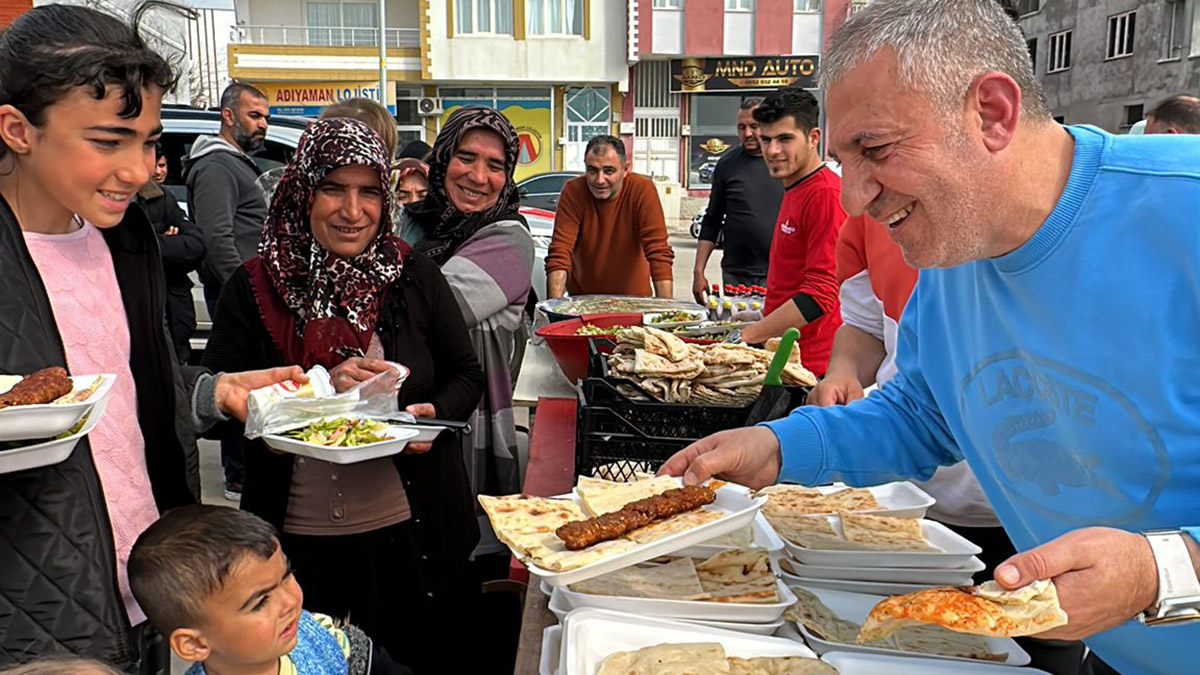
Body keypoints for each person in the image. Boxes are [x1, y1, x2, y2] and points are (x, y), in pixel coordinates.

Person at [662, 0, 1200, 673]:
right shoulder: (952, 256)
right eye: (842, 159)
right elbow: (922, 412)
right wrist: (776, 445)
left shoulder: (1185, 209)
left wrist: (1162, 570)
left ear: (993, 113)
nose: (854, 198)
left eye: (875, 150)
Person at [0, 5, 303, 670]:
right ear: (18, 129)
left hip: (152, 588)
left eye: (148, 141)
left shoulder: (125, 239)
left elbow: (126, 389)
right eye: (108, 141)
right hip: (37, 610)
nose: (139, 170)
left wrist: (213, 391)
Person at [201, 117, 484, 675]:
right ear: (303, 190)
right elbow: (216, 404)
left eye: (369, 192)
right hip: (292, 546)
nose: (352, 211)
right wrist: (311, 392)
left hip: (411, 535)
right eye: (333, 187)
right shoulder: (255, 287)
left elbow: (464, 375)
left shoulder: (413, 273)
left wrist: (433, 414)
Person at [811, 214, 1010, 578]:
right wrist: (843, 371)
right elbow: (866, 325)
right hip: (904, 501)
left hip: (1035, 520)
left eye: (876, 153)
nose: (851, 194)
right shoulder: (867, 216)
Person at [397, 106, 534, 516]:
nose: (478, 177)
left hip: (467, 419)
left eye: (495, 165)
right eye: (467, 157)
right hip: (400, 416)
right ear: (442, 160)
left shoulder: (510, 238)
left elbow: (435, 308)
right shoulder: (415, 223)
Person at [129, 505, 411, 675]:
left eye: (287, 576)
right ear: (195, 644)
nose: (290, 601)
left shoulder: (319, 637)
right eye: (261, 601)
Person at [185, 81, 271, 500]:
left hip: (247, 293)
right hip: (239, 298)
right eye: (255, 115)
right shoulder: (217, 166)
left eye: (266, 118)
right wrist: (251, 294)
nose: (263, 125)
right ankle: (238, 476)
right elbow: (217, 238)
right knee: (239, 383)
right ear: (228, 115)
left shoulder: (236, 163)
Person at [739, 88, 844, 377]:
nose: (772, 151)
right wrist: (764, 316)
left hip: (811, 367)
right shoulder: (796, 186)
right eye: (766, 140)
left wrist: (749, 335)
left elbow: (819, 295)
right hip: (784, 356)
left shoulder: (825, 194)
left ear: (813, 138)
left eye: (785, 139)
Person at [545, 135, 675, 298]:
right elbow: (560, 251)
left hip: (635, 302)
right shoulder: (573, 191)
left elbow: (658, 251)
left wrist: (667, 311)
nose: (600, 180)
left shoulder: (642, 190)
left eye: (609, 171)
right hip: (584, 302)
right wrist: (553, 310)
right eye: (592, 170)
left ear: (625, 169)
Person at [692, 97, 783, 301]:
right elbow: (712, 219)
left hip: (780, 273)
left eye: (754, 126)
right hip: (737, 274)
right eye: (742, 127)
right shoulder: (727, 164)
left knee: (777, 332)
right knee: (739, 331)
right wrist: (698, 271)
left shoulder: (785, 163)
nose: (748, 133)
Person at [137, 141, 203, 363]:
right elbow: (125, 247)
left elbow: (195, 246)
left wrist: (155, 244)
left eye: (162, 164)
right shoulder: (119, 201)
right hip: (143, 317)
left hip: (175, 311)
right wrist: (161, 240)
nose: (158, 171)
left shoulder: (163, 197)